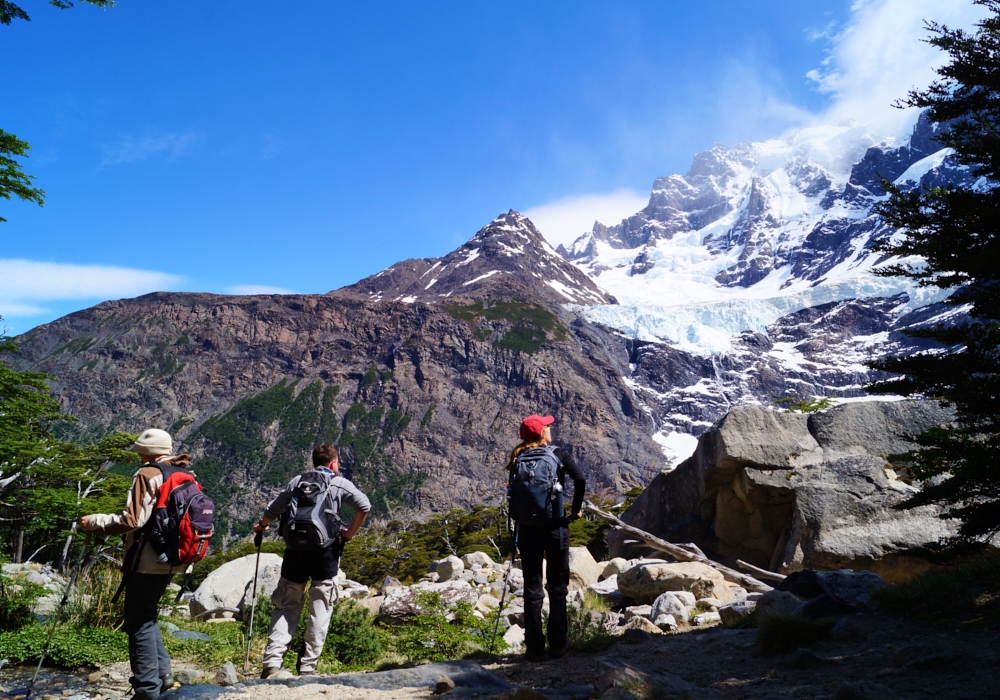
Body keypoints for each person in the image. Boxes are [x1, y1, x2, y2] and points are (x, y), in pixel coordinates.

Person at [80, 428, 191, 700]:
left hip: (148, 559)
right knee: (147, 615)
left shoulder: (148, 474)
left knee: (138, 622)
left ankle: (146, 690)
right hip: (175, 558)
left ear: (145, 451)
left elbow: (133, 521)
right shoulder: (184, 473)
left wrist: (95, 522)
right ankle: (163, 677)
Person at [254, 444, 370, 678]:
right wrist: (349, 534)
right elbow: (364, 506)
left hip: (295, 551)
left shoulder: (296, 481)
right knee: (321, 607)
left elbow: (273, 508)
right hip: (325, 552)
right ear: (333, 463)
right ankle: (308, 666)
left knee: (286, 604)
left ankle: (272, 663)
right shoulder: (339, 483)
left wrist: (263, 525)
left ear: (314, 461)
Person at [506, 414, 586, 662]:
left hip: (527, 530)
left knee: (532, 589)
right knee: (557, 587)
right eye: (547, 426)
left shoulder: (517, 458)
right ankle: (559, 646)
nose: (550, 428)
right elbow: (581, 479)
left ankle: (534, 649)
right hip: (556, 528)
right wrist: (575, 509)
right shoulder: (558, 454)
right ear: (542, 433)